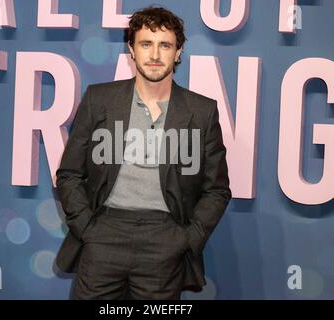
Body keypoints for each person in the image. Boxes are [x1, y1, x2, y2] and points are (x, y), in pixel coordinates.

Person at [55, 6, 232, 300]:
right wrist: (87, 228)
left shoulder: (202, 111)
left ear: (178, 52)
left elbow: (217, 190)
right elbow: (70, 174)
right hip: (104, 234)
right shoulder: (99, 100)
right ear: (131, 50)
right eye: (146, 44)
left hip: (165, 239)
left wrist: (187, 239)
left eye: (165, 45)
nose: (154, 55)